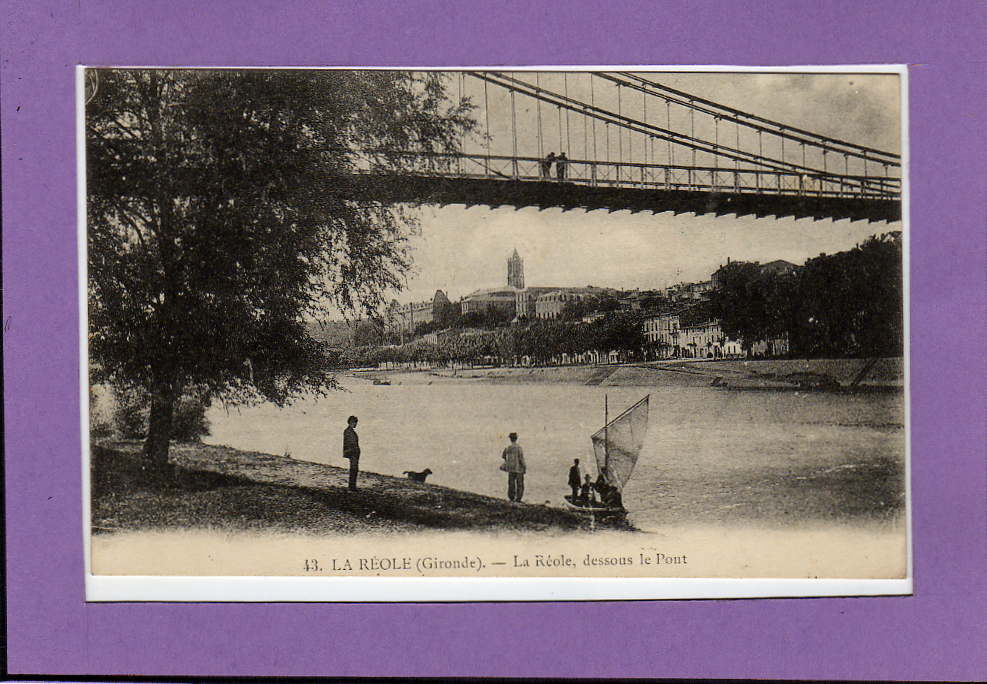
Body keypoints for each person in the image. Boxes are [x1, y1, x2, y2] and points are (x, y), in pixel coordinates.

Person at [501, 432, 526, 503]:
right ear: (516, 438)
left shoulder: (508, 447)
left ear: (510, 439)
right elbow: (521, 459)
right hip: (518, 469)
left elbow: (503, 456)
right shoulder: (519, 448)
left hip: (510, 468)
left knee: (511, 483)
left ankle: (511, 498)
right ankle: (518, 499)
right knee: (520, 484)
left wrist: (508, 461)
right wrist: (524, 466)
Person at [342, 415, 360, 490]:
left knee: (354, 469)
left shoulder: (349, 431)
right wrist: (355, 450)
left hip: (353, 452)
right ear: (351, 422)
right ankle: (352, 486)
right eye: (355, 422)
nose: (356, 424)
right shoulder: (348, 431)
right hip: (352, 452)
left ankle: (352, 485)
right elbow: (351, 443)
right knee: (354, 469)